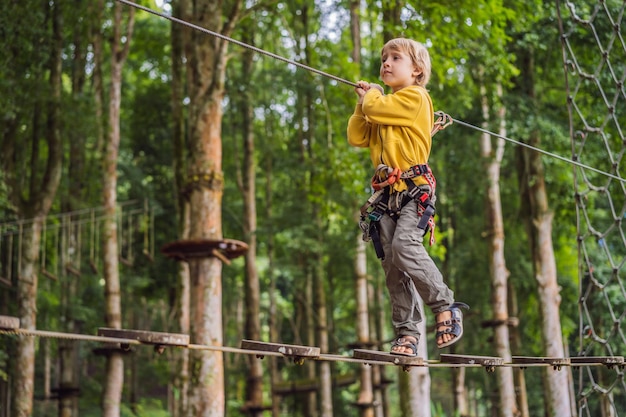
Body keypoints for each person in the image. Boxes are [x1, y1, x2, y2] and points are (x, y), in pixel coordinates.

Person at [347, 38, 468, 356]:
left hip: (415, 191)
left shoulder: (416, 98)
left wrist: (371, 96)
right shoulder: (384, 112)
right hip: (387, 196)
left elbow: (377, 106)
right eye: (383, 59)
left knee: (404, 247)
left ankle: (445, 306)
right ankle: (407, 333)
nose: (385, 63)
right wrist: (362, 103)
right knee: (392, 264)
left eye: (394, 58)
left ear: (416, 70)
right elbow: (357, 135)